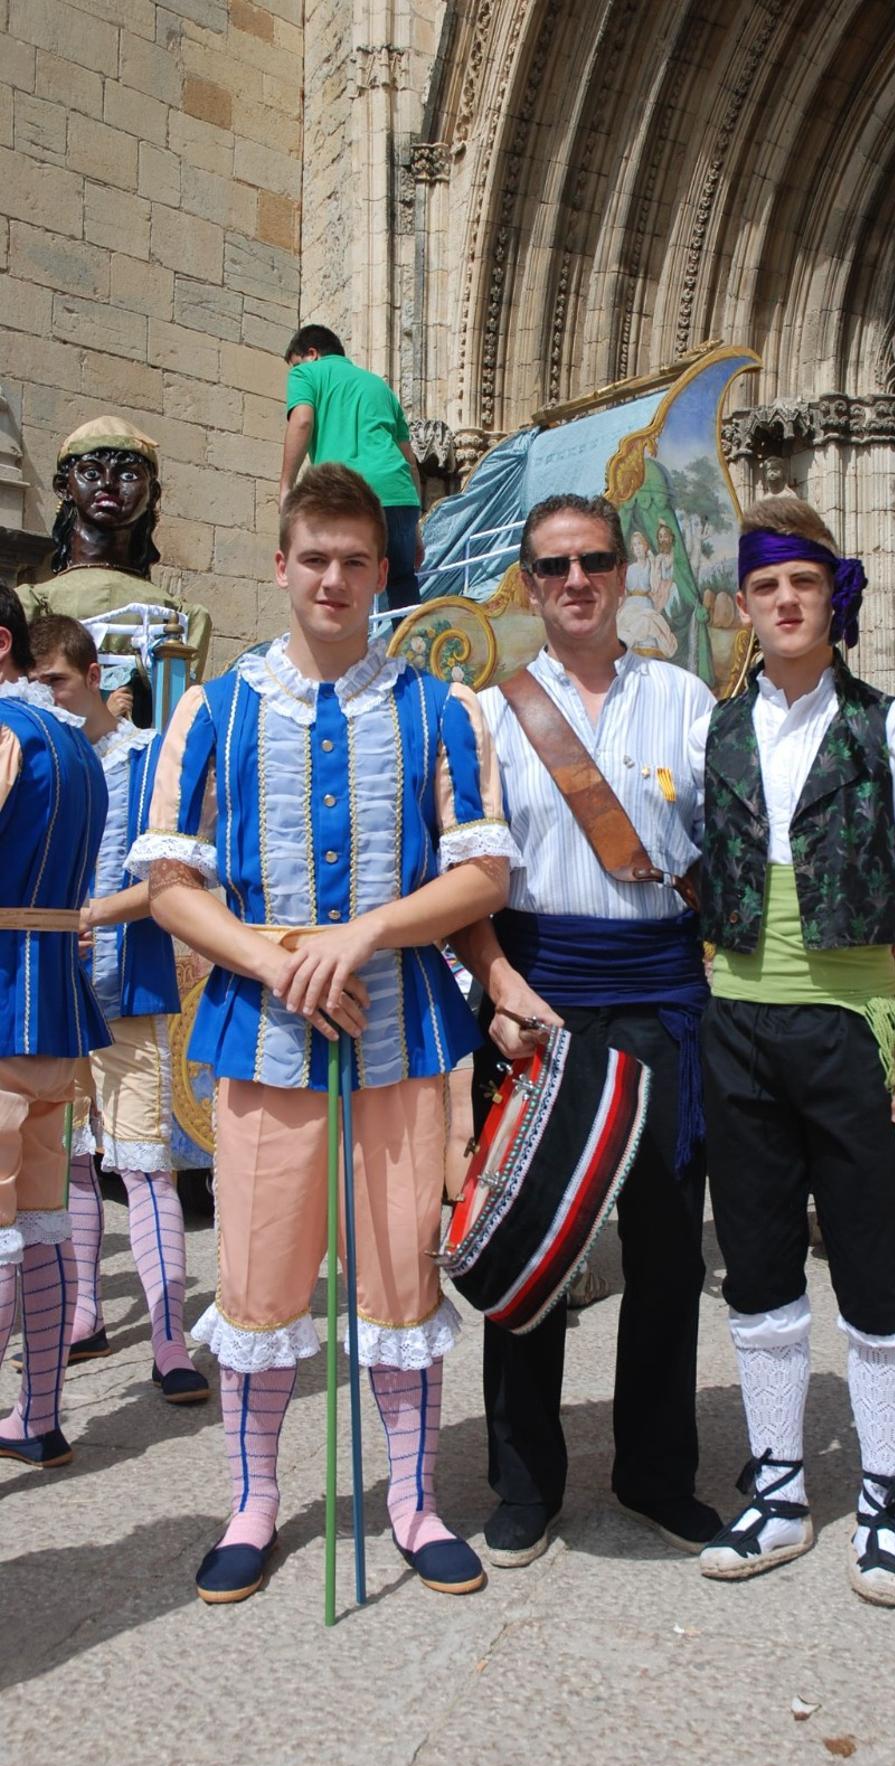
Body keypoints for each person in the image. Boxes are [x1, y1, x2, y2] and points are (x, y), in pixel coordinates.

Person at [133, 463, 515, 1603]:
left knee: (401, 1275)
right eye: (316, 559)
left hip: (398, 1032)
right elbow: (165, 879)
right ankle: (251, 1502)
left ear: (381, 571)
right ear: (283, 564)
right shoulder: (216, 705)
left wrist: (367, 936)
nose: (335, 578)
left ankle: (412, 1498)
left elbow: (484, 873)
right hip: (263, 1035)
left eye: (356, 561)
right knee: (257, 1280)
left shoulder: (442, 708)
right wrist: (280, 958)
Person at [689, 494, 895, 1607]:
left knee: (876, 1273)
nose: (786, 601)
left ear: (832, 595)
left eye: (803, 582)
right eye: (766, 586)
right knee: (755, 1269)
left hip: (857, 1028)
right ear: (748, 605)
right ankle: (780, 1488)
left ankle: (885, 1499)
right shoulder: (712, 729)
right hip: (737, 1027)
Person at [451, 493, 720, 1569]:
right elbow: (461, 873)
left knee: (665, 1253)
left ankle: (656, 1470)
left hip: (659, 997)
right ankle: (524, 1482)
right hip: (537, 999)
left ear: (622, 571)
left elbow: (723, 859)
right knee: (530, 1250)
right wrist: (502, 985)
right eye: (553, 566)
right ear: (526, 583)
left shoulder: (688, 698)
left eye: (594, 560)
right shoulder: (489, 712)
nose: (576, 582)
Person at [28, 615, 208, 1405]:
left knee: (143, 1167)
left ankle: (169, 1339)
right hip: (48, 999)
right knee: (67, 1161)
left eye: (57, 682)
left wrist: (93, 913)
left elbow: (181, 875)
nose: (46, 698)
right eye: (35, 685)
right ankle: (84, 1310)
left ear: (94, 674)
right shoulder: (34, 757)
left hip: (125, 993)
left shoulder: (146, 756)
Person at [0, 584, 109, 1468]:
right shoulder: (77, 749)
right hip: (52, 1001)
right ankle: (37, 1415)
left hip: (2, 991)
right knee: (38, 1219)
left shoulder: (5, 734)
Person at [17, 417, 212, 701]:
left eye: (128, 475)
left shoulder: (185, 615)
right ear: (64, 487)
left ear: (153, 493)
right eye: (91, 473)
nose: (108, 484)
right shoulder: (32, 603)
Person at [281, 324, 424, 618]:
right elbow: (409, 460)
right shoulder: (379, 387)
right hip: (400, 498)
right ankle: (415, 657)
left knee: (336, 581)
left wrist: (286, 486)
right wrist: (415, 526)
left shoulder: (306, 373)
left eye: (295, 364)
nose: (293, 371)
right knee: (402, 587)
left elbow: (303, 421)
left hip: (348, 496)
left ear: (312, 354)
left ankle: (342, 660)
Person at [618, 529, 677, 657]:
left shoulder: (652, 565)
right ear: (632, 549)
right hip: (630, 606)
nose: (637, 547)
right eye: (634, 545)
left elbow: (656, 586)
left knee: (648, 623)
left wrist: (653, 562)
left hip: (646, 604)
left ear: (645, 546)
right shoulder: (629, 569)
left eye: (639, 544)